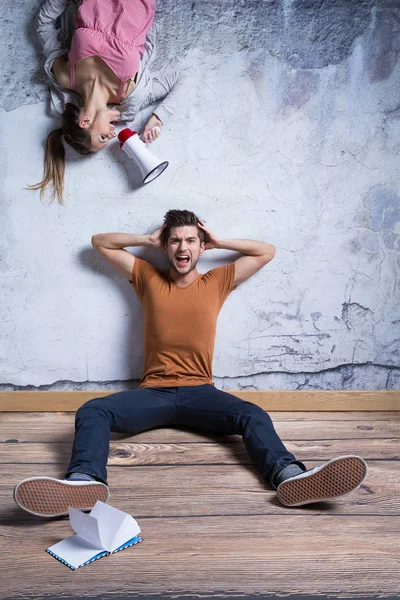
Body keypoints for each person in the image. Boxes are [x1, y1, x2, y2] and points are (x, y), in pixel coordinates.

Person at [13, 210, 368, 517]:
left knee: (252, 414)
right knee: (93, 410)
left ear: (201, 247)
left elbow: (266, 251)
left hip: (201, 395)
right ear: (165, 246)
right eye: (175, 241)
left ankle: (289, 476)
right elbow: (99, 242)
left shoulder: (218, 280)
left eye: (191, 241)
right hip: (153, 394)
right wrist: (147, 239)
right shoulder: (146, 277)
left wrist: (219, 240)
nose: (183, 248)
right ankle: (83, 481)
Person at [28, 0, 182, 201]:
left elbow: (43, 24)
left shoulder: (66, 77)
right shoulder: (131, 93)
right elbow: (182, 78)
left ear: (85, 122)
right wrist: (158, 117)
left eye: (102, 137)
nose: (112, 134)